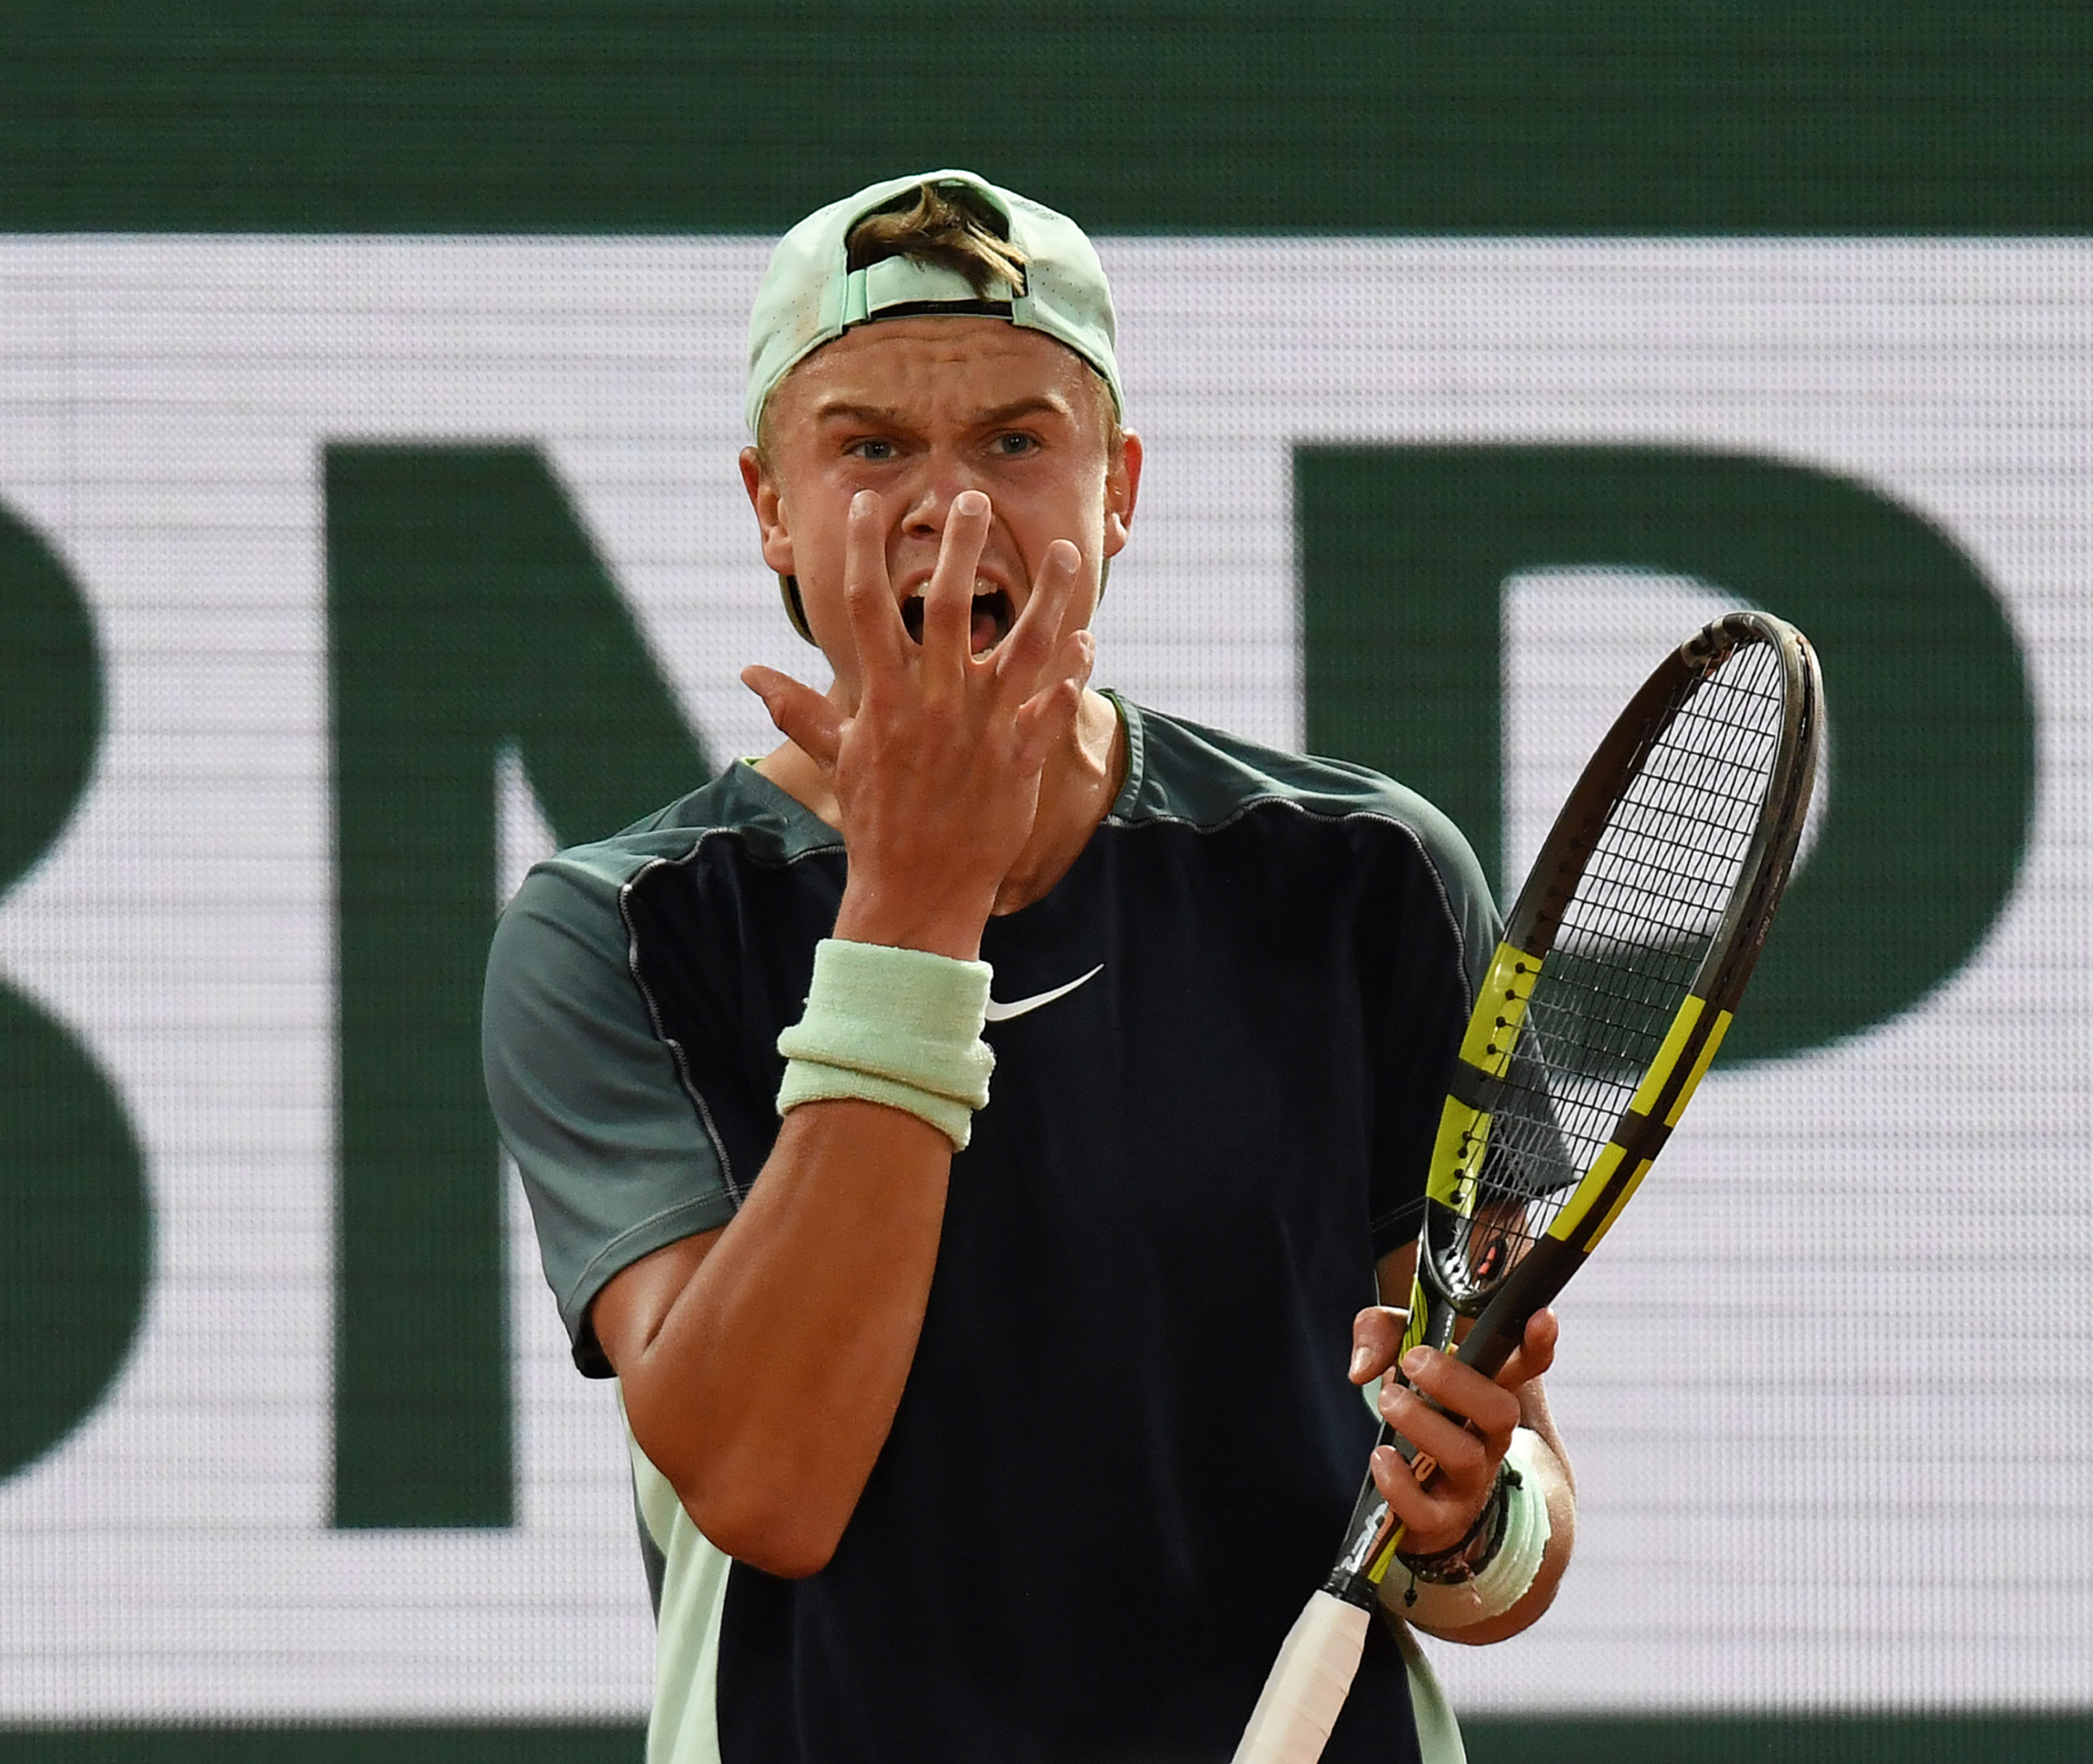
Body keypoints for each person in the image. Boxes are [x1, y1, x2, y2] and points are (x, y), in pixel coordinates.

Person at [482, 169, 1575, 1764]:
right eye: (870, 447)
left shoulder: (1369, 878)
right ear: (770, 501)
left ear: (1114, 485)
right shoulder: (618, 933)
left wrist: (1477, 1516)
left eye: (1014, 441)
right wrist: (917, 896)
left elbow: (1502, 1512)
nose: (952, 508)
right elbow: (768, 1482)